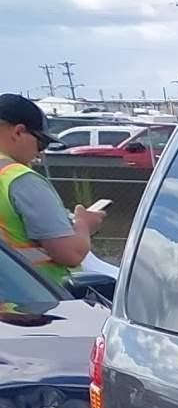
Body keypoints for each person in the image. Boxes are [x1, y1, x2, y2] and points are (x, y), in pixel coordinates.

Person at [0, 94, 103, 290]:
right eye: (41, 143)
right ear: (19, 132)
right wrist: (84, 224)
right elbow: (70, 254)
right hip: (36, 300)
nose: (40, 153)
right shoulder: (19, 179)